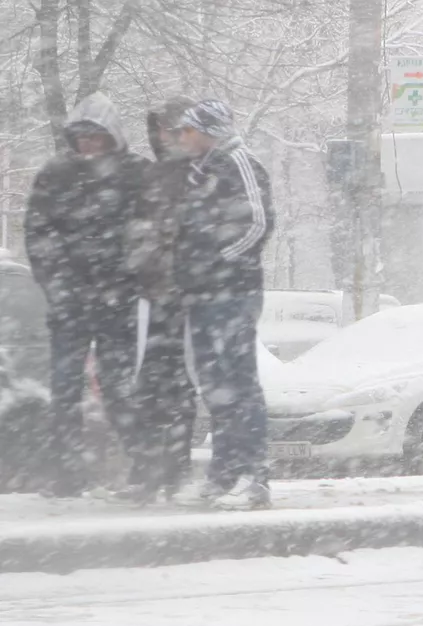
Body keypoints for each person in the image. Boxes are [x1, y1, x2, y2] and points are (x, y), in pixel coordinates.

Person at [23, 92, 149, 497]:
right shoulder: (55, 175)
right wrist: (58, 283)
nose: (88, 145)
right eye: (82, 138)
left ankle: (142, 465)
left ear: (112, 137)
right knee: (64, 388)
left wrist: (127, 279)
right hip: (70, 302)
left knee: (118, 386)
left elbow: (150, 233)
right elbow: (39, 233)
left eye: (96, 137)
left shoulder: (136, 175)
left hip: (118, 303)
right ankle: (66, 470)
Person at [168, 100, 275, 509]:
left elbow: (259, 223)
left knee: (241, 383)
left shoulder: (240, 163)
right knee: (215, 387)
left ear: (208, 130)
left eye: (188, 130)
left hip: (233, 293)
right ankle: (225, 471)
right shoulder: (201, 172)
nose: (182, 137)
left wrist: (219, 262)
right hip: (202, 295)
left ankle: (257, 473)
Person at [110, 96, 200, 504]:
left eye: (174, 128)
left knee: (179, 387)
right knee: (147, 386)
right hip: (150, 295)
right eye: (162, 129)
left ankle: (175, 469)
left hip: (184, 297)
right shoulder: (154, 175)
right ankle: (147, 468)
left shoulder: (198, 173)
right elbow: (138, 229)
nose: (167, 136)